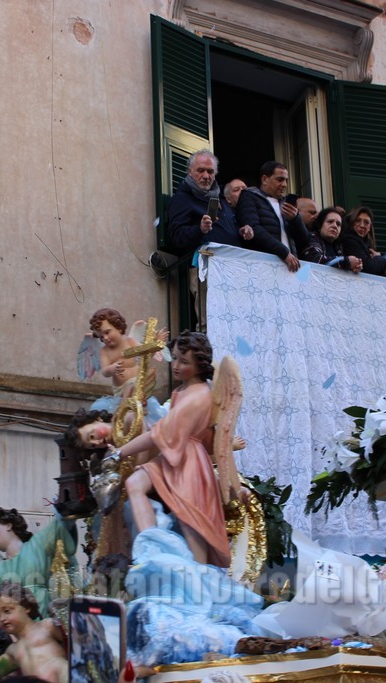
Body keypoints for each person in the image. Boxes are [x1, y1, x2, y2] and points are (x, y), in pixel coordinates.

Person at [109, 332, 232, 567]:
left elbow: (158, 435)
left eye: (183, 362)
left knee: (191, 521)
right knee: (134, 484)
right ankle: (151, 548)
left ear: (199, 366)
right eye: (174, 358)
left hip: (189, 462)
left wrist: (119, 453)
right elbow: (163, 433)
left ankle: (199, 572)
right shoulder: (181, 391)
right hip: (173, 453)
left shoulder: (200, 396)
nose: (175, 366)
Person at [166, 151, 253, 329]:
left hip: (233, 271)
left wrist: (242, 232)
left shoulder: (220, 199)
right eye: (201, 170)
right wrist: (199, 230)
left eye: (210, 171)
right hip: (205, 271)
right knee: (211, 327)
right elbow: (176, 238)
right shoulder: (182, 199)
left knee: (237, 326)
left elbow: (226, 232)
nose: (206, 176)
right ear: (190, 172)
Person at [0, 581, 69, 683]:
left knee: (61, 665)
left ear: (26, 607)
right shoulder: (13, 650)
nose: (2, 618)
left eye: (7, 611)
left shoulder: (47, 626)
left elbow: (72, 641)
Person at [234, 161, 311, 272]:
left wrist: (295, 219)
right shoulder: (249, 196)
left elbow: (304, 241)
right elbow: (253, 228)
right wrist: (284, 252)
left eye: (286, 180)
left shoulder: (286, 204)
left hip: (290, 269)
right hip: (262, 266)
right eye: (280, 179)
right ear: (265, 179)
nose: (284, 184)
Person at [299, 208, 361, 272]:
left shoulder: (338, 246)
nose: (335, 226)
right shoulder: (312, 238)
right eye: (330, 222)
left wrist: (354, 266)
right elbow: (315, 259)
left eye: (338, 224)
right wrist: (345, 261)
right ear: (320, 225)